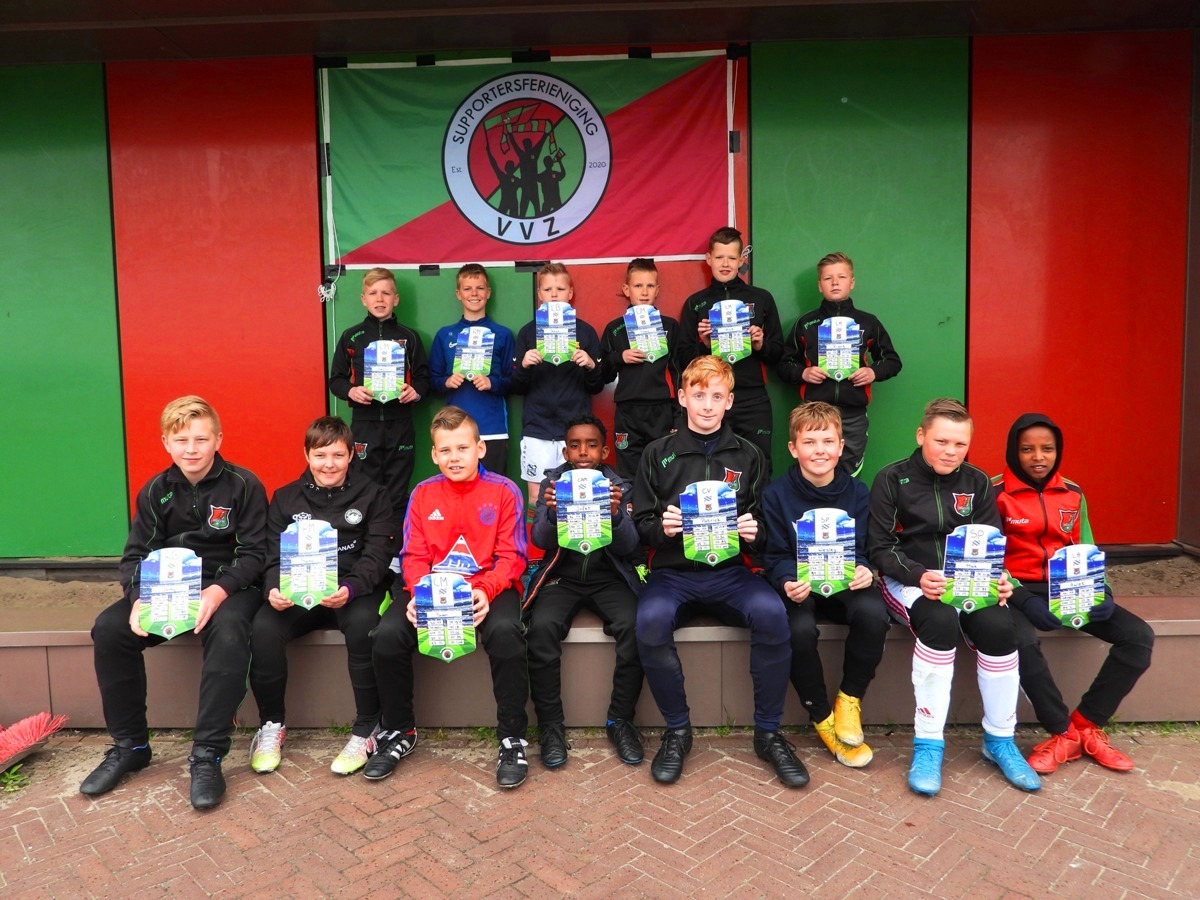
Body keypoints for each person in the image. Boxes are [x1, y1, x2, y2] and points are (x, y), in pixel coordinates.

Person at [82, 396, 267, 809]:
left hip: (230, 588)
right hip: (168, 589)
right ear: (166, 442)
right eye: (181, 440)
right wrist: (137, 598)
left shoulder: (244, 484)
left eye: (201, 439)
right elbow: (135, 555)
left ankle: (208, 754)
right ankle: (130, 746)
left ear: (219, 439)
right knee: (110, 628)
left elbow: (256, 553)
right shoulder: (155, 491)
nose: (192, 449)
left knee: (230, 631)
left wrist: (218, 591)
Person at [632, 357, 805, 788]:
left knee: (772, 613)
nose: (706, 405)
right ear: (682, 397)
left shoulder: (749, 454)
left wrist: (754, 532)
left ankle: (768, 734)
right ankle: (677, 731)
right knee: (650, 619)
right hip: (673, 575)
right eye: (698, 395)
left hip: (731, 574)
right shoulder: (657, 453)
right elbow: (641, 526)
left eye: (716, 396)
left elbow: (765, 526)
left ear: (729, 401)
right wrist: (662, 529)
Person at [867, 397, 1041, 796]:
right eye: (941, 441)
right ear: (921, 436)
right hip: (909, 581)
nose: (950, 451)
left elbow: (992, 544)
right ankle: (928, 745)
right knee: (940, 621)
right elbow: (880, 548)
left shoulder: (977, 482)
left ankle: (999, 740)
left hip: (966, 581)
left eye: (960, 444)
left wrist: (999, 580)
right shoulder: (891, 479)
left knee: (1000, 625)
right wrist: (919, 575)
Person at [366, 407, 531, 787]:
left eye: (462, 448)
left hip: (486, 587)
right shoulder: (423, 493)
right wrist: (418, 592)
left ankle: (512, 738)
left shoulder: (504, 491)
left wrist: (485, 590)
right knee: (387, 636)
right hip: (431, 588)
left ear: (480, 449)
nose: (454, 457)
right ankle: (400, 731)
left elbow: (513, 557)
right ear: (434, 454)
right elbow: (413, 556)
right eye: (445, 450)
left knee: (506, 633)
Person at [994, 413, 1154, 774]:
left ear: (1058, 451)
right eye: (1027, 449)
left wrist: (1103, 592)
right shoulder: (995, 492)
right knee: (1022, 642)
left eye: (1047, 449)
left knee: (1138, 637)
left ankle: (1085, 724)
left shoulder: (1073, 492)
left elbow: (1087, 546)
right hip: (1015, 591)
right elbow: (990, 559)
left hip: (1069, 587)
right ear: (1013, 451)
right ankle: (1061, 733)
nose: (1038, 457)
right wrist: (1023, 598)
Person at [247, 416, 394, 776]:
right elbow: (272, 556)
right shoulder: (285, 498)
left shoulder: (374, 494)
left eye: (338, 455)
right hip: (299, 591)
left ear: (351, 455)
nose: (329, 464)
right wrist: (273, 588)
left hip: (352, 590)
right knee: (264, 627)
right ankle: (271, 725)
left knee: (364, 627)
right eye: (321, 455)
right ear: (306, 455)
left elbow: (378, 555)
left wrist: (351, 587)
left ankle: (367, 728)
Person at [762, 402, 890, 769]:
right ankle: (822, 716)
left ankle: (849, 700)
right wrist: (787, 580)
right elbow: (774, 554)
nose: (819, 450)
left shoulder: (858, 493)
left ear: (841, 446)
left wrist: (865, 569)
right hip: (801, 586)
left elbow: (865, 549)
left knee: (873, 614)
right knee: (798, 628)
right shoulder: (776, 495)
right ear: (793, 448)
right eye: (810, 442)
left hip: (844, 581)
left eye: (828, 441)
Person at [526, 414, 645, 768]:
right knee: (541, 628)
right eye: (575, 446)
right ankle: (550, 726)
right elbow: (540, 540)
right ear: (565, 451)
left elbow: (631, 547)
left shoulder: (619, 486)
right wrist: (550, 512)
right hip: (562, 577)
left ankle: (620, 721)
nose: (582, 452)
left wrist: (616, 515)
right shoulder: (552, 483)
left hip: (609, 576)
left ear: (604, 452)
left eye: (591, 445)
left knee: (635, 626)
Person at [777, 252, 903, 476]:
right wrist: (804, 373)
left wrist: (872, 372)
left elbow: (892, 361)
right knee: (815, 473)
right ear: (820, 285)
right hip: (814, 414)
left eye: (842, 277)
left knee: (850, 476)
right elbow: (784, 364)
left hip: (853, 415)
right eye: (828, 278)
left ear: (852, 282)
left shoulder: (868, 322)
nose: (835, 282)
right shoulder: (806, 324)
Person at [328, 266, 431, 540]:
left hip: (401, 424)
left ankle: (394, 551)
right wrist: (351, 392)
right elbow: (335, 380)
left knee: (397, 490)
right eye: (373, 293)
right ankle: (365, 548)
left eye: (386, 293)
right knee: (364, 487)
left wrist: (416, 392)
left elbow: (424, 379)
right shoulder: (351, 336)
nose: (380, 298)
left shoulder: (410, 337)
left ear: (396, 299)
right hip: (364, 426)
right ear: (364, 299)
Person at [675, 227, 784, 473]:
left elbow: (779, 353)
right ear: (708, 259)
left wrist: (760, 344)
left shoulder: (762, 298)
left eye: (732, 258)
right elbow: (682, 359)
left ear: (741, 260)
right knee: (709, 465)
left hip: (753, 399)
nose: (725, 264)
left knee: (759, 465)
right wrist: (704, 346)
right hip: (710, 399)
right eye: (719, 257)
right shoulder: (696, 303)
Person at [510, 262, 605, 507]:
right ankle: (540, 535)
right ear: (539, 295)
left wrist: (591, 365)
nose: (554, 295)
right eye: (548, 289)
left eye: (560, 289)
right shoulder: (528, 333)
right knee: (536, 498)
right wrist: (524, 366)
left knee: (577, 495)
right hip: (537, 429)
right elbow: (516, 387)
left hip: (575, 429)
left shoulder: (585, 332)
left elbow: (596, 386)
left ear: (570, 293)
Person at [430, 264, 516, 477]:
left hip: (492, 430)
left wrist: (492, 383)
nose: (474, 294)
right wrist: (447, 382)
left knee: (493, 489)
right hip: (454, 432)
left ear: (488, 292)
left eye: (480, 288)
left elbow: (515, 380)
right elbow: (432, 380)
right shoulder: (445, 335)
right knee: (457, 490)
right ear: (458, 294)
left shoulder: (503, 334)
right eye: (467, 289)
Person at [599, 258, 681, 479]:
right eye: (638, 285)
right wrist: (619, 357)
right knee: (629, 475)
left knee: (665, 474)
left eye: (650, 286)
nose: (644, 292)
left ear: (657, 290)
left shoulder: (670, 326)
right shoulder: (615, 329)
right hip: (627, 412)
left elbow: (679, 373)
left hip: (661, 410)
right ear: (627, 289)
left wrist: (679, 416)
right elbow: (602, 375)